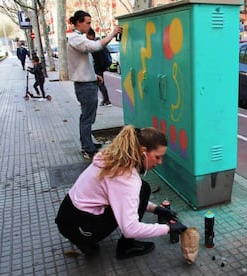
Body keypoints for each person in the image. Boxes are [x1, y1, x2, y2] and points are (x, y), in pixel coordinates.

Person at [55, 126, 187, 258]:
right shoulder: (125, 178)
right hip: (80, 226)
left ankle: (86, 241)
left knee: (143, 189)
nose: (160, 162)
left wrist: (156, 209)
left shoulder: (111, 157)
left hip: (67, 217)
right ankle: (126, 247)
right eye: (157, 157)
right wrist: (168, 229)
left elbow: (124, 199)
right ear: (143, 151)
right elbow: (130, 229)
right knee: (142, 189)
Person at [67, 10, 122, 160]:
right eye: (88, 23)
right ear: (78, 23)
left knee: (87, 116)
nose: (89, 26)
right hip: (85, 86)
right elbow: (96, 46)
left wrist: (94, 75)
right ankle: (87, 147)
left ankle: (88, 144)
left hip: (87, 82)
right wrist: (112, 34)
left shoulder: (76, 38)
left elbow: (82, 63)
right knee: (87, 118)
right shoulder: (75, 39)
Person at [86, 28, 112, 107]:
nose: (86, 38)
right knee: (100, 84)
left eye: (87, 36)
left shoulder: (95, 45)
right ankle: (106, 100)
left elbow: (94, 58)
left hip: (97, 68)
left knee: (99, 84)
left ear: (90, 36)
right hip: (100, 67)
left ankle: (106, 100)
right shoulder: (98, 43)